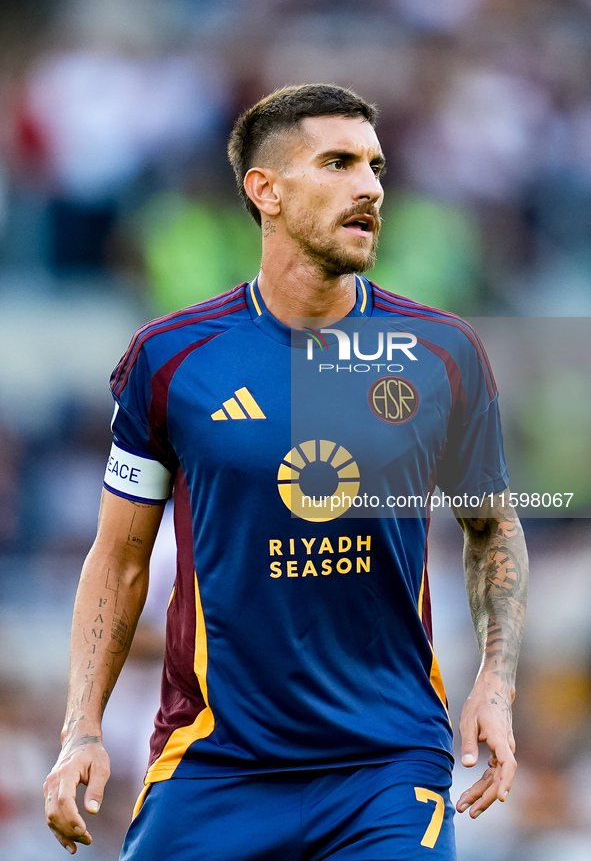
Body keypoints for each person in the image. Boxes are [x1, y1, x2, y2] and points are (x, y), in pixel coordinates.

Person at [44, 84, 528, 860]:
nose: (368, 186)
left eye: (374, 165)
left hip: (386, 766)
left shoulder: (440, 353)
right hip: (214, 765)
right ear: (263, 190)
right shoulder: (171, 360)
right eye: (336, 163)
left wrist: (496, 687)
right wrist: (82, 730)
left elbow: (492, 526)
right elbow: (119, 559)